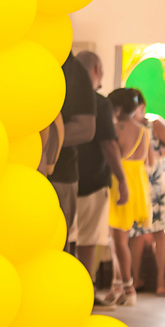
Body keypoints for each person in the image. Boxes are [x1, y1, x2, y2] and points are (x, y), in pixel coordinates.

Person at [73, 51, 128, 300]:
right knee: (87, 241)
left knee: (65, 239)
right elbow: (108, 145)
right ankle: (84, 291)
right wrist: (122, 179)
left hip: (63, 180)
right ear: (96, 69)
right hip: (93, 182)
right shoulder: (100, 102)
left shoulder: (64, 95)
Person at [105, 87, 152, 306]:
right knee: (119, 238)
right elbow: (150, 161)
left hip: (120, 184)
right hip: (138, 185)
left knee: (119, 241)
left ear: (117, 108)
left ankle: (127, 286)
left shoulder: (116, 128)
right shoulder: (143, 130)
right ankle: (117, 284)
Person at [130, 113, 165, 295]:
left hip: (158, 184)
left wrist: (156, 153)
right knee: (135, 231)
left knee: (159, 231)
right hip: (136, 185)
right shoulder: (126, 126)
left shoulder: (154, 124)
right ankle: (135, 279)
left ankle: (161, 279)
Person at [49, 53, 97, 241]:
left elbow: (85, 128)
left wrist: (42, 144)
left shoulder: (73, 71)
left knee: (56, 241)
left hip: (60, 176)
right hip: (10, 172)